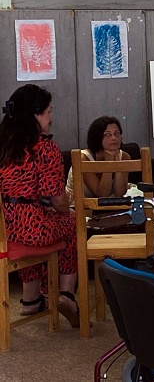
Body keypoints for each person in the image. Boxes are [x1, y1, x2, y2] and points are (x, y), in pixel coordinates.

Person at [0, 84, 80, 327]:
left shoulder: (3, 146)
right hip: (29, 229)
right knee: (72, 222)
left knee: (39, 223)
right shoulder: (44, 148)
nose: (51, 117)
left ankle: (31, 299)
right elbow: (56, 200)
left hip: (5, 228)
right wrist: (67, 207)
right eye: (48, 111)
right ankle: (66, 294)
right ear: (34, 115)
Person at [65, 116, 131, 200]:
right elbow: (102, 194)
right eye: (107, 134)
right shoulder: (83, 158)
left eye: (117, 133)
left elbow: (120, 194)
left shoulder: (125, 157)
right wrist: (109, 161)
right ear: (97, 138)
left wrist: (116, 162)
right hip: (77, 208)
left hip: (109, 207)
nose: (114, 138)